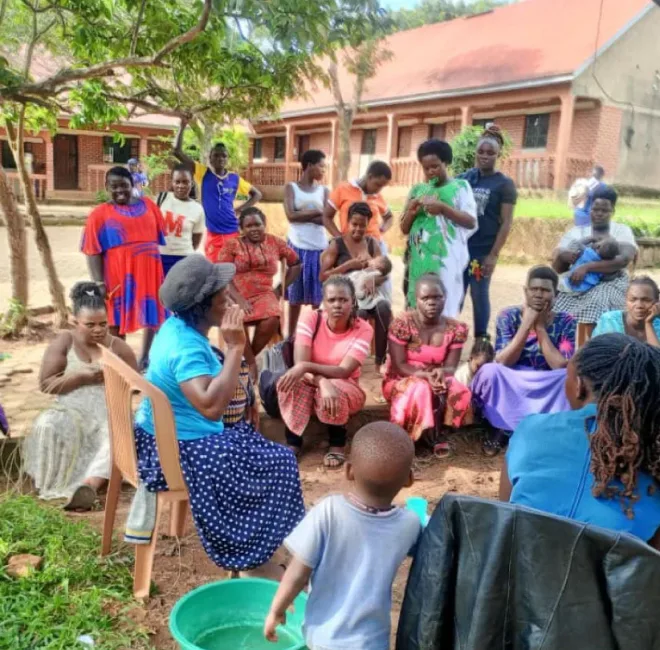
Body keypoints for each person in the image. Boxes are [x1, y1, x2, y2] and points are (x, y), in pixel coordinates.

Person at [134, 255, 305, 573]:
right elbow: (212, 408)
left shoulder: (175, 326)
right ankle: (253, 554)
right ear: (202, 306)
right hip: (178, 451)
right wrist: (236, 347)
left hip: (164, 435)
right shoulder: (186, 348)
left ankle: (260, 546)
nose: (229, 296)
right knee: (280, 464)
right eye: (221, 293)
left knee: (261, 449)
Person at [264, 422, 420, 650]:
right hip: (373, 641)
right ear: (409, 480)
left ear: (348, 471)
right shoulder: (410, 524)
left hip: (323, 638)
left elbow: (298, 573)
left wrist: (276, 610)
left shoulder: (329, 511)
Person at [500, 334, 660, 548]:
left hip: (519, 573)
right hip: (609, 581)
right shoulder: (653, 457)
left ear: (579, 386)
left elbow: (502, 514)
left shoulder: (531, 430)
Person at [23, 282, 138, 511]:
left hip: (106, 412)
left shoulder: (119, 348)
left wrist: (117, 379)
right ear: (75, 322)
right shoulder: (64, 341)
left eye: (103, 324)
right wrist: (81, 377)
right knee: (48, 424)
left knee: (115, 431)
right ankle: (52, 482)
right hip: (70, 409)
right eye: (90, 325)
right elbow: (46, 384)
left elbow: (135, 385)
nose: (98, 330)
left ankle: (88, 487)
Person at [471, 266, 576, 455]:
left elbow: (560, 365)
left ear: (556, 294)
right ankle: (500, 427)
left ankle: (544, 429)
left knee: (566, 377)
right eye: (533, 289)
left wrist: (541, 327)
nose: (538, 294)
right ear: (525, 291)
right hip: (513, 378)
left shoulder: (566, 320)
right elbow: (503, 361)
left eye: (544, 290)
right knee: (490, 372)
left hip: (546, 382)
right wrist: (527, 324)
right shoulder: (508, 316)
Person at [276, 276, 374, 469]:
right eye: (332, 300)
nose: (337, 305)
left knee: (334, 387)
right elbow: (300, 364)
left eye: (343, 300)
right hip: (311, 381)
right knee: (293, 381)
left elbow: (344, 370)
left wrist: (308, 369)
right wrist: (322, 381)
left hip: (346, 387)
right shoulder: (311, 318)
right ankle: (293, 442)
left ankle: (337, 443)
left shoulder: (363, 329)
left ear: (353, 301)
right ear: (324, 302)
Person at [81, 166, 166, 368]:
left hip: (149, 271)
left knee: (151, 313)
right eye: (114, 186)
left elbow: (160, 235)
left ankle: (145, 357)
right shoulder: (99, 214)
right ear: (106, 187)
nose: (120, 190)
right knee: (115, 319)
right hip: (117, 274)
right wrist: (98, 281)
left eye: (124, 186)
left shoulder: (149, 206)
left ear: (133, 185)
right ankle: (120, 361)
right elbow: (92, 250)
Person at [382, 274, 473, 458]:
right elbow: (399, 366)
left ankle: (437, 432)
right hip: (401, 378)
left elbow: (450, 367)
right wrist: (424, 375)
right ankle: (410, 438)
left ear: (445, 297)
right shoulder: (403, 324)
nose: (431, 302)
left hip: (435, 376)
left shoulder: (456, 329)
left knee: (455, 387)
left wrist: (441, 373)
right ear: (416, 300)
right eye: (425, 298)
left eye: (437, 297)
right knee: (420, 388)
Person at [217, 207, 301, 379]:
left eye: (258, 224)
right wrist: (238, 299)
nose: (254, 229)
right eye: (249, 226)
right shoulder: (232, 245)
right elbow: (222, 272)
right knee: (236, 318)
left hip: (265, 292)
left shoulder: (275, 243)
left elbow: (296, 263)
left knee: (272, 318)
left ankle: (248, 360)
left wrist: (279, 290)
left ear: (265, 225)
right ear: (242, 229)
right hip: (236, 293)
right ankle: (251, 364)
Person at [401, 139, 477, 316]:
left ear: (446, 163)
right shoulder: (418, 190)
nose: (430, 172)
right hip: (418, 262)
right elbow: (404, 228)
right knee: (417, 307)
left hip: (445, 261)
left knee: (443, 306)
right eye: (426, 168)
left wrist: (443, 208)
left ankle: (441, 342)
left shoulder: (460, 187)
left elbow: (470, 221)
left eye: (435, 166)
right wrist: (412, 212)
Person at [173, 118, 262, 262]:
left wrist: (239, 210)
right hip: (213, 235)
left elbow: (257, 194)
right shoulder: (203, 173)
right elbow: (177, 152)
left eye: (224, 156)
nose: (220, 158)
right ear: (210, 158)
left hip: (233, 231)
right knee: (214, 271)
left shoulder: (234, 178)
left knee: (232, 271)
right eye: (216, 155)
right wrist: (182, 126)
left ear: (227, 159)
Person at [553, 185, 637, 337]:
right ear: (589, 208)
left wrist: (587, 267)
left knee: (599, 300)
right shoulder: (577, 233)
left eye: (605, 211)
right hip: (576, 282)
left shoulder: (621, 231)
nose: (599, 214)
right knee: (555, 301)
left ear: (613, 212)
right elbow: (558, 267)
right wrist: (564, 256)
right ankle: (567, 345)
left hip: (611, 282)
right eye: (595, 209)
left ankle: (595, 346)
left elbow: (623, 260)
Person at [460, 125, 517, 339]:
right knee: (455, 292)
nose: (484, 156)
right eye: (481, 152)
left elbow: (506, 222)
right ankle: (447, 336)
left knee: (478, 292)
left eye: (490, 153)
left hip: (482, 252)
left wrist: (493, 255)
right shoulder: (465, 178)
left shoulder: (504, 184)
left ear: (498, 154)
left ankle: (481, 339)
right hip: (460, 249)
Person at [320, 201, 393, 369]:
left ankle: (379, 361)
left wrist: (373, 279)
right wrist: (349, 265)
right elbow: (323, 277)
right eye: (354, 224)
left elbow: (384, 271)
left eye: (363, 225)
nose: (358, 229)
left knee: (383, 308)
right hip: (344, 295)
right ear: (347, 222)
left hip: (369, 293)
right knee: (358, 313)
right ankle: (351, 359)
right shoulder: (336, 244)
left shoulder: (371, 243)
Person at [284, 149, 329, 336]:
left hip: (319, 248)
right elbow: (290, 215)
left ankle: (314, 336)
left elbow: (326, 219)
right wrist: (316, 213)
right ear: (309, 165)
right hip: (297, 246)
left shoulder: (324, 191)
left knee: (317, 297)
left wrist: (302, 215)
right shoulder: (291, 188)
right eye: (321, 166)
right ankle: (291, 336)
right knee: (295, 297)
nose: (323, 170)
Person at [156, 164, 205, 276]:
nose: (181, 186)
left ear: (191, 183)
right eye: (177, 182)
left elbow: (195, 241)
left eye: (185, 182)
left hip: (184, 259)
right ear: (172, 182)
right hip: (161, 257)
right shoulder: (161, 199)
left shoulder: (198, 209)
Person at [592, 276, 660, 347]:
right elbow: (596, 353)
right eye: (633, 300)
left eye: (646, 300)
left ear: (657, 301)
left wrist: (648, 323)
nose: (639, 305)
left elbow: (657, 356)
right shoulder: (610, 321)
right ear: (626, 300)